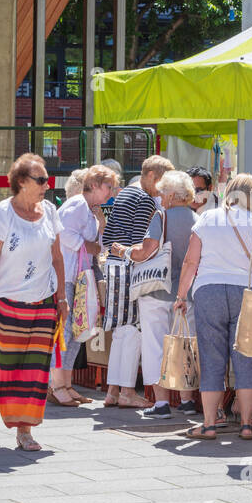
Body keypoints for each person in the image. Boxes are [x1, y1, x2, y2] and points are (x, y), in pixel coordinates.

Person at [0, 154, 67, 451]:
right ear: (21, 182)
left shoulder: (51, 211)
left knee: (34, 372)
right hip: (5, 302)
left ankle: (24, 431)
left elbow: (57, 258)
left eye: (46, 179)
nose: (47, 184)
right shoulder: (3, 213)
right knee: (1, 364)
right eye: (40, 180)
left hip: (42, 304)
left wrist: (62, 297)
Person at [174, 173, 252, 441]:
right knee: (247, 358)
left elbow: (191, 262)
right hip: (245, 292)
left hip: (209, 290)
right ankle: (247, 424)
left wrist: (181, 295)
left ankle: (210, 423)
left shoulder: (207, 218)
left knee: (212, 358)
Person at [102, 154, 172, 408]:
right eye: (162, 182)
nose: (164, 189)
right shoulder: (144, 201)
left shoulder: (123, 195)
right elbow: (141, 244)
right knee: (133, 329)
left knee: (121, 331)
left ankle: (113, 390)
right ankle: (127, 392)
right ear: (152, 176)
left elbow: (108, 235)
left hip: (112, 264)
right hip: (128, 266)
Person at [129, 169, 199, 418]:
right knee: (185, 345)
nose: (160, 197)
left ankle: (161, 404)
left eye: (161, 193)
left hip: (158, 291)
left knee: (155, 345)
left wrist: (127, 252)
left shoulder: (161, 217)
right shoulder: (197, 218)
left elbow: (148, 249)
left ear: (170, 195)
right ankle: (187, 401)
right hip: (188, 293)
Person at [50, 164, 118, 406]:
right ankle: (58, 385)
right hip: (68, 275)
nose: (112, 191)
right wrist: (90, 245)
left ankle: (65, 384)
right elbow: (62, 234)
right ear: (96, 185)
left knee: (77, 330)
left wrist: (100, 225)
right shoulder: (78, 204)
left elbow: (94, 241)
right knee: (68, 330)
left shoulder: (87, 207)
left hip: (76, 276)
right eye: (109, 186)